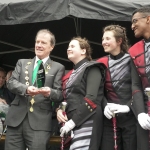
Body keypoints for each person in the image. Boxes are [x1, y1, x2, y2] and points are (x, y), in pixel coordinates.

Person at [5, 29, 65, 150]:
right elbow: (10, 83)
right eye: (37, 42)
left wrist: (49, 92)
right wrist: (26, 89)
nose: (39, 45)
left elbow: (59, 94)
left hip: (40, 123)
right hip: (16, 120)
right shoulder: (22, 63)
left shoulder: (58, 67)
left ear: (51, 47)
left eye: (43, 42)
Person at [97, 25, 145, 150]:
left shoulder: (132, 59)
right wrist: (105, 105)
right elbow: (98, 91)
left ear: (119, 41)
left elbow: (138, 86)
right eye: (103, 39)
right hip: (109, 119)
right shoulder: (100, 63)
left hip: (131, 118)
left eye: (108, 38)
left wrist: (128, 106)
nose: (104, 42)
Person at [56, 37, 106, 150]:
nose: (68, 49)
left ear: (83, 51)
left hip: (88, 119)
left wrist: (73, 122)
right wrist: (59, 110)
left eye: (72, 46)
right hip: (72, 122)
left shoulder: (93, 67)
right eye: (68, 47)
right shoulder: (70, 74)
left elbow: (91, 98)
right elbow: (67, 98)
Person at [129, 6, 150, 150]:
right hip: (145, 112)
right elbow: (135, 84)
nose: (132, 26)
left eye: (135, 21)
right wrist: (141, 112)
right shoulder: (134, 50)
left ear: (148, 19)